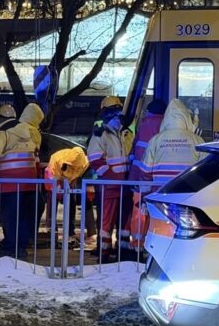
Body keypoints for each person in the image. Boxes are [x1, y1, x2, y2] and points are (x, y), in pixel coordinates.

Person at [0, 102, 42, 259]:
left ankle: (10, 247)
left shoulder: (2, 133)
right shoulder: (29, 132)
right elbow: (35, 157)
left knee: (9, 216)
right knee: (21, 216)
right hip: (29, 183)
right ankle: (19, 246)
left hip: (10, 182)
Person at [122, 99, 166, 258]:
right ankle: (148, 246)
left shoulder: (144, 125)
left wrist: (134, 177)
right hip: (156, 178)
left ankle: (137, 245)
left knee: (138, 212)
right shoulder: (164, 126)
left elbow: (137, 153)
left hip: (140, 177)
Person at [87, 103, 130, 258]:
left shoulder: (120, 134)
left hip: (123, 186)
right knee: (107, 221)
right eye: (117, 117)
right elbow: (95, 159)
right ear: (109, 119)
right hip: (110, 186)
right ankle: (104, 250)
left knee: (124, 221)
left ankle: (123, 249)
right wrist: (111, 175)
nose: (120, 120)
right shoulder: (100, 135)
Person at [141, 99, 204, 183]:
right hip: (188, 191)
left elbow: (146, 170)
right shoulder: (198, 140)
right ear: (186, 118)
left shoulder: (155, 140)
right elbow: (204, 168)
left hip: (161, 191)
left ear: (166, 118)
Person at [44, 146, 89, 243]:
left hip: (70, 179)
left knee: (71, 203)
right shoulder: (56, 159)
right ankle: (51, 231)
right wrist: (58, 188)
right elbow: (53, 178)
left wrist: (72, 182)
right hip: (54, 177)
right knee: (53, 200)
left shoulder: (84, 163)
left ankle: (70, 231)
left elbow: (79, 174)